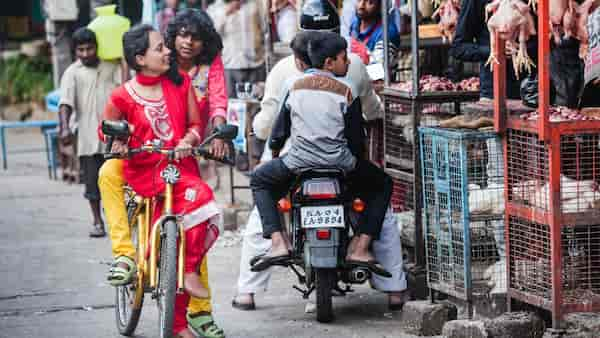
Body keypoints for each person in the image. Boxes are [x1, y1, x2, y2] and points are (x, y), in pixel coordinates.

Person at [233, 2, 406, 312]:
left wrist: (273, 155)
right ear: (333, 52)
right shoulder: (350, 77)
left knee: (260, 192)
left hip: (295, 162)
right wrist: (356, 164)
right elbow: (358, 133)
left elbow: (274, 129)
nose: (346, 59)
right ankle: (383, 275)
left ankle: (257, 274)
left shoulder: (286, 76)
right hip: (341, 163)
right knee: (383, 193)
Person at [98, 10, 228, 338]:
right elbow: (110, 128)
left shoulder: (188, 78)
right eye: (163, 46)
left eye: (192, 37)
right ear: (142, 58)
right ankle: (125, 256)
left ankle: (192, 309)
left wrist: (198, 138)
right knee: (107, 173)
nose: (174, 48)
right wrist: (118, 141)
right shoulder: (126, 91)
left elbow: (210, 112)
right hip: (142, 163)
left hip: (177, 162)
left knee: (195, 222)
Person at [58, 27, 121, 237]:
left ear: (97, 47)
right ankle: (97, 221)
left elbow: (126, 91)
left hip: (114, 137)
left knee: (117, 180)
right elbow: (65, 103)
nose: (86, 54)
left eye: (89, 48)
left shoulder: (112, 67)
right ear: (75, 51)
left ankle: (117, 219)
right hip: (87, 137)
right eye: (81, 50)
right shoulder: (72, 73)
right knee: (92, 184)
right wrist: (65, 128)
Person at [207, 0, 267, 97]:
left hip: (255, 63)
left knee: (256, 103)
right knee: (232, 106)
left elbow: (265, 29)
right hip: (230, 64)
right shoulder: (215, 8)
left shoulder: (256, 3)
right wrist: (227, 11)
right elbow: (210, 33)